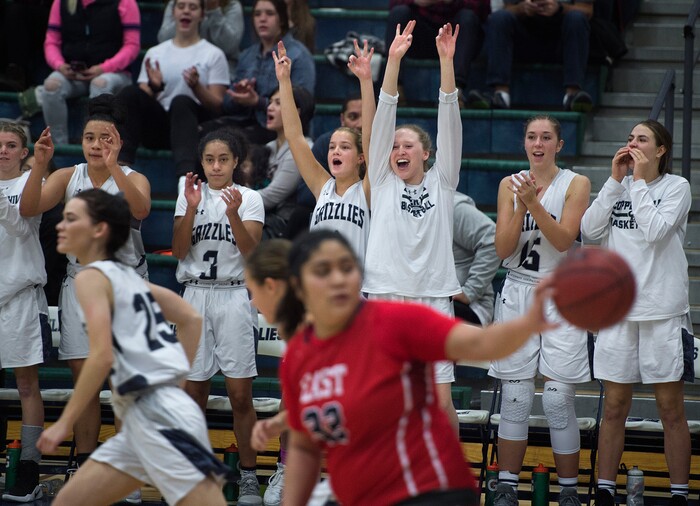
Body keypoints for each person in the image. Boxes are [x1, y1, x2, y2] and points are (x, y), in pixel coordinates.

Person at [277, 229, 557, 505]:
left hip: (427, 492)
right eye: (323, 270)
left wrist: (530, 320)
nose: (338, 279)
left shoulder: (394, 320)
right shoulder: (299, 359)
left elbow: (482, 344)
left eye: (346, 267)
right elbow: (302, 449)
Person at [36, 189, 228, 506]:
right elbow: (190, 318)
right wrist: (176, 384)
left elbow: (101, 355)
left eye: (71, 218)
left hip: (160, 415)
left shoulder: (90, 278)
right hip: (145, 417)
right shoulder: (127, 277)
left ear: (99, 230)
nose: (60, 225)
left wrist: (64, 423)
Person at [19, 94, 151, 479]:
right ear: (81, 141)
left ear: (119, 142)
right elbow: (29, 209)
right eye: (91, 138)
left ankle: (124, 469)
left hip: (125, 284)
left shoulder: (133, 176)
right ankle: (85, 466)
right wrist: (40, 164)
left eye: (106, 138)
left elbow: (141, 209)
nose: (97, 145)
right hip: (80, 283)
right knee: (85, 383)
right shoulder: (67, 176)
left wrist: (115, 168)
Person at [581, 120, 693, 506]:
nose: (632, 144)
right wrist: (615, 183)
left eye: (641, 139)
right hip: (618, 312)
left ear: (660, 150)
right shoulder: (621, 188)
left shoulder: (677, 188)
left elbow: (655, 232)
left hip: (662, 311)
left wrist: (641, 182)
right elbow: (589, 230)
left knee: (670, 408)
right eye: (629, 138)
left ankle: (679, 493)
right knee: (614, 406)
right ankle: (606, 489)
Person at [362, 21, 463, 433]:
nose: (399, 150)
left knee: (440, 401)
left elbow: (449, 119)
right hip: (384, 295)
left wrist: (445, 62)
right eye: (395, 146)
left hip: (433, 297)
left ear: (426, 153)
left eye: (408, 146)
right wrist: (394, 61)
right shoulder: (382, 179)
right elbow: (385, 112)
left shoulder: (444, 179)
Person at [489, 114, 591, 506]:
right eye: (531, 136)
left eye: (546, 137)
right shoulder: (508, 184)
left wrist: (534, 202)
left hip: (561, 294)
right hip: (517, 292)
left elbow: (564, 240)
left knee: (556, 398)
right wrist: (520, 204)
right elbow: (502, 250)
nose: (538, 143)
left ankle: (568, 493)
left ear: (558, 145)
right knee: (515, 396)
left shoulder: (576, 183)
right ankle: (507, 486)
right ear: (525, 143)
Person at [172, 128, 264, 505]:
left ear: (235, 162)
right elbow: (178, 250)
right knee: (193, 393)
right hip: (194, 295)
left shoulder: (250, 198)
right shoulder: (188, 193)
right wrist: (192, 207)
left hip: (232, 295)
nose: (215, 166)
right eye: (209, 159)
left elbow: (252, 252)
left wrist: (232, 213)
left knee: (241, 395)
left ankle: (248, 477)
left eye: (222, 159)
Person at [274, 39, 371, 262]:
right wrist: (284, 81)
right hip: (319, 283)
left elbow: (369, 135)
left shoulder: (368, 189)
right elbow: (295, 137)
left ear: (361, 157)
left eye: (344, 147)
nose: (335, 151)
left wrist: (365, 81)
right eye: (332, 147)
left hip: (355, 286)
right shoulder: (322, 187)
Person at [117, 0, 229, 189]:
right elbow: (140, 99)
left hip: (194, 129)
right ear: (173, 12)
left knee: (181, 101)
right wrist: (154, 87)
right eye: (182, 6)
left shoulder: (214, 54)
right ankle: (121, 168)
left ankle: (184, 180)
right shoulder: (156, 52)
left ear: (202, 15)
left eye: (193, 7)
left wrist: (196, 87)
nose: (186, 11)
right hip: (160, 128)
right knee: (129, 93)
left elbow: (218, 104)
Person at [0, 121, 50, 503]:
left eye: (11, 144)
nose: (3, 150)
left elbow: (20, 228)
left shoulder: (32, 183)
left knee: (27, 385)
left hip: (20, 296)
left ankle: (29, 467)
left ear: (22, 152)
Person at [211, 0, 315, 146]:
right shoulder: (247, 55)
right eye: (257, 14)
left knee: (235, 142)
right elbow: (227, 105)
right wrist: (238, 93)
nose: (262, 19)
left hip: (278, 129)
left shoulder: (299, 55)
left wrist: (258, 102)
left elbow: (303, 107)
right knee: (206, 134)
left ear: (282, 20)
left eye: (270, 13)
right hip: (243, 121)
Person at [37, 0, 141, 144]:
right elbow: (51, 42)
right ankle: (58, 147)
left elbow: (132, 46)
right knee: (51, 86)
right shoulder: (61, 3)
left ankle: (97, 143)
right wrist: (60, 65)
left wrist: (104, 68)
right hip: (74, 73)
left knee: (100, 84)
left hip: (115, 72)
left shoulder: (125, 3)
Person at [466, 0, 594, 111]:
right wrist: (521, 8)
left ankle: (572, 95)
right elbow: (507, 8)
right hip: (524, 41)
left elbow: (587, 10)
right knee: (499, 18)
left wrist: (560, 8)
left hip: (561, 44)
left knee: (577, 18)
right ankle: (501, 94)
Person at [385, 0, 490, 101]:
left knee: (468, 17)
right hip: (421, 36)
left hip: (456, 36)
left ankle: (456, 91)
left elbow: (484, 10)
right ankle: (394, 88)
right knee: (399, 12)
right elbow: (393, 4)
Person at [258, 85, 315, 239]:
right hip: (263, 216)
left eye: (278, 103)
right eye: (270, 102)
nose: (269, 107)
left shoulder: (304, 149)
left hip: (284, 226)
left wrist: (233, 202)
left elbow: (272, 196)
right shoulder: (269, 147)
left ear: (295, 111)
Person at [158, 0, 244, 79]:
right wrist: (186, 14)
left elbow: (229, 46)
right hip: (181, 68)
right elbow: (163, 40)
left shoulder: (231, 5)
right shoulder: (178, 3)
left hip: (221, 74)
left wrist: (214, 11)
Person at [452, 190, 500, 326]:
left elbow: (491, 239)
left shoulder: (451, 206)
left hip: (467, 306)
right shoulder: (393, 209)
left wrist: (470, 290)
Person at [311, 94, 363, 173]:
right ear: (342, 119)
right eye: (353, 117)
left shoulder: (382, 145)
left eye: (366, 117)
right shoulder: (324, 142)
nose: (360, 124)